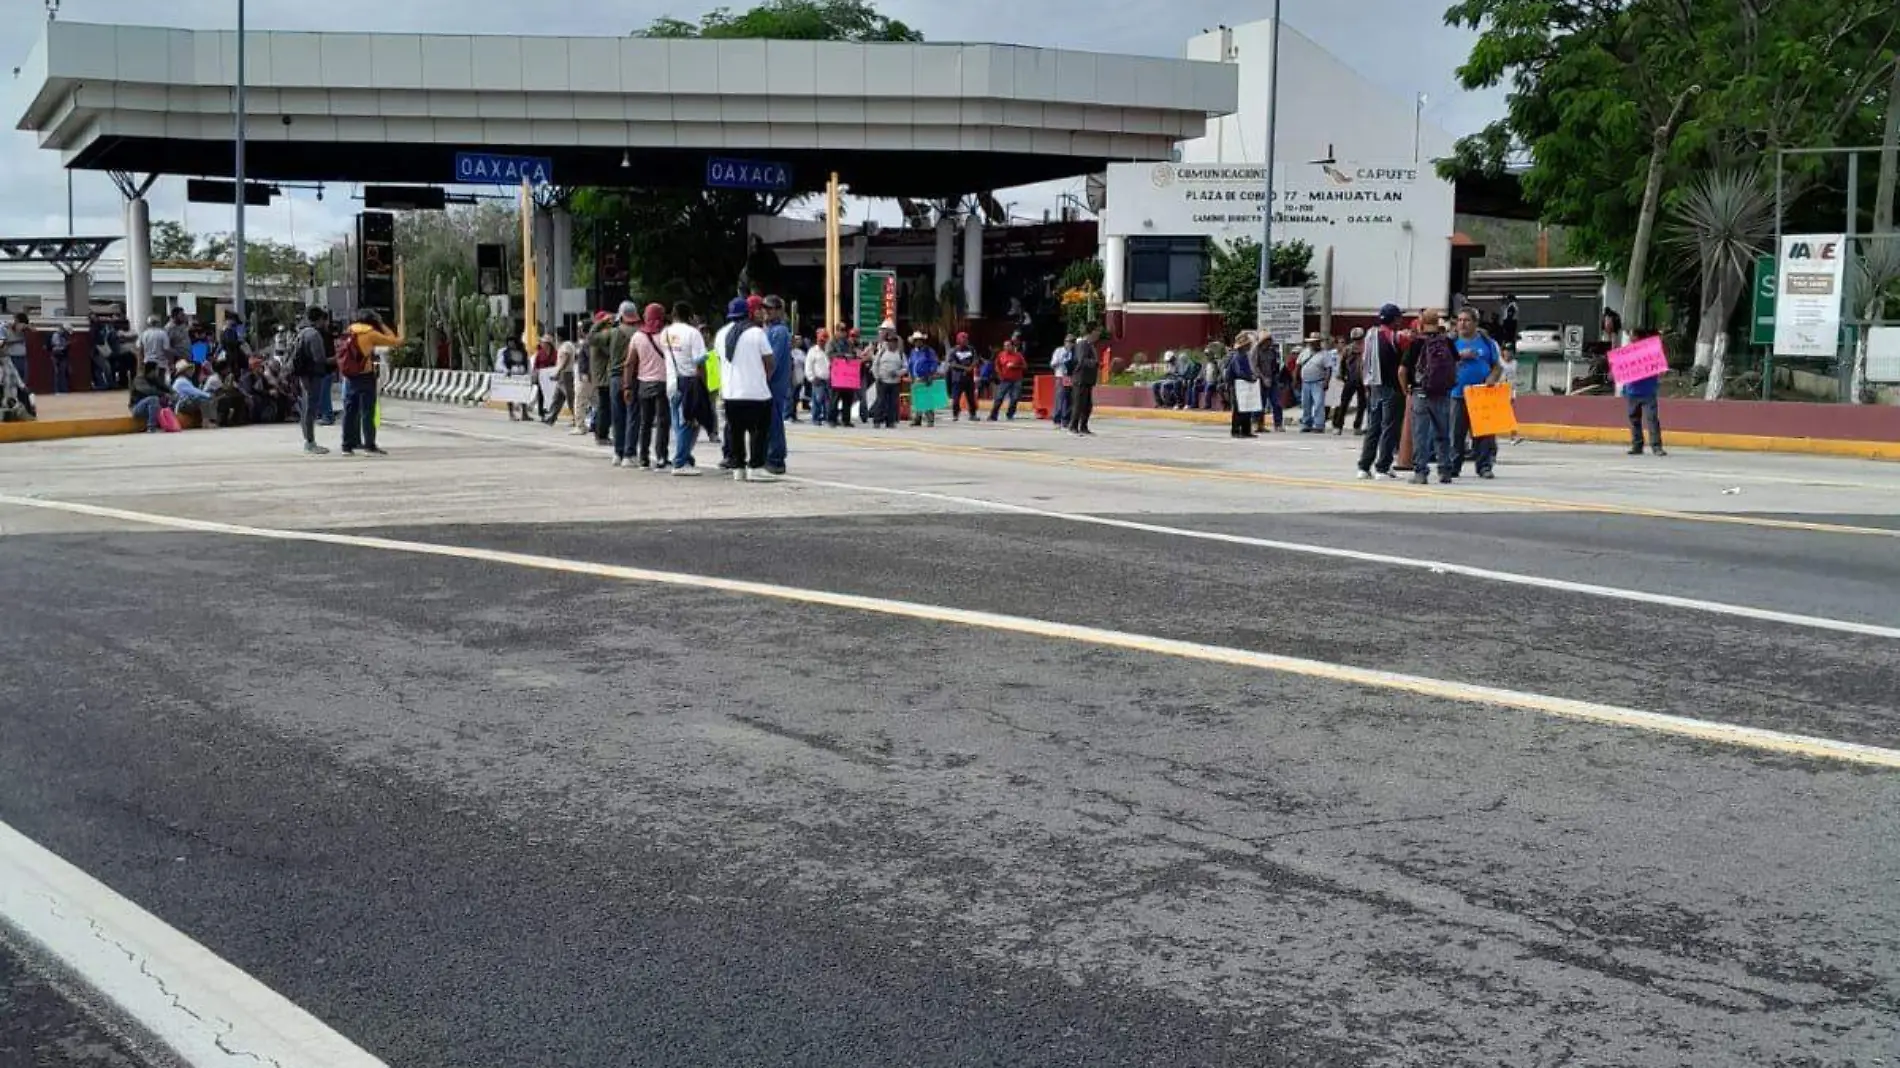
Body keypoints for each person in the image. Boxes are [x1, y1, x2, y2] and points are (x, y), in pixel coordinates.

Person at [717, 294, 776, 482]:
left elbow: (719, 361)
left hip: (731, 392)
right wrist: (764, 378)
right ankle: (756, 466)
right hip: (756, 393)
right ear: (748, 312)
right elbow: (769, 361)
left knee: (735, 433)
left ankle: (738, 468)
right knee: (758, 432)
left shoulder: (721, 334)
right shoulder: (756, 333)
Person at [1399, 309, 1458, 484]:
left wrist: (1405, 389)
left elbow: (1402, 370)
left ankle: (1421, 473)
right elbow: (1456, 362)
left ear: (1421, 323)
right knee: (1442, 432)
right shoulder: (1446, 341)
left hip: (1420, 392)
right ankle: (1445, 470)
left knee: (1421, 434)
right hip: (1442, 392)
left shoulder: (1416, 343)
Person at [1447, 307, 1504, 480]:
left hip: (1481, 395)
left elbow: (1497, 366)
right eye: (1460, 320)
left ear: (1475, 323)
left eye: (1467, 320)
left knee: (1483, 434)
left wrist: (1492, 378)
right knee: (1456, 434)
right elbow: (1440, 363)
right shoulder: (1451, 342)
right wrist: (1459, 356)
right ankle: (1453, 466)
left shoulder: (1487, 342)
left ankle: (1484, 466)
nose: (1462, 324)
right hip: (1457, 394)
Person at [1355, 304, 1407, 480]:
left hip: (1374, 386)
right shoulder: (1396, 337)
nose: (1401, 320)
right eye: (1399, 317)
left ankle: (1363, 466)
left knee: (1373, 428)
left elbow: (1363, 363)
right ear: (1395, 319)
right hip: (1392, 386)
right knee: (1389, 428)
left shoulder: (1370, 335)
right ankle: (1382, 468)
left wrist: (1366, 385)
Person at [340, 309, 401, 456]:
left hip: (349, 376)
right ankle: (370, 445)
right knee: (368, 412)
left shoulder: (349, 331)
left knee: (349, 412)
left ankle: (347, 446)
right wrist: (382, 324)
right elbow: (395, 341)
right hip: (365, 377)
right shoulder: (370, 334)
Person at [660, 302, 710, 475]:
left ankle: (685, 456)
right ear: (690, 316)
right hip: (689, 382)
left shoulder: (665, 333)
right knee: (688, 423)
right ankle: (680, 462)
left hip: (672, 381)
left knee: (678, 421)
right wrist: (704, 385)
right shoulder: (693, 333)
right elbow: (700, 363)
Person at [624, 303, 673, 471]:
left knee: (645, 423)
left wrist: (627, 386)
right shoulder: (668, 335)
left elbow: (629, 363)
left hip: (643, 384)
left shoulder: (637, 337)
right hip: (663, 383)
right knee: (662, 422)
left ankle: (643, 458)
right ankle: (661, 458)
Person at [288, 306, 332, 454]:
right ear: (320, 319)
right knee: (310, 408)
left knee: (307, 407)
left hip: (303, 374)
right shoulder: (314, 335)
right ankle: (310, 442)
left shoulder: (301, 332)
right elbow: (319, 358)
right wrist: (336, 359)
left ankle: (308, 440)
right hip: (313, 375)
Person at [761, 295, 794, 475]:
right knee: (768, 421)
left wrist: (763, 379)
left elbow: (772, 360)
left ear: (780, 311)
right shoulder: (768, 330)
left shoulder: (779, 331)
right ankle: (771, 456)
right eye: (765, 308)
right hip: (769, 383)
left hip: (773, 384)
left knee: (773, 421)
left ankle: (776, 458)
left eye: (771, 308)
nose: (766, 311)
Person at [1623, 328, 1667, 457]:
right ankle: (1637, 445)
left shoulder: (1651, 352)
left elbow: (1662, 370)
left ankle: (1656, 446)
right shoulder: (1628, 352)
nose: (1630, 338)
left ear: (1639, 337)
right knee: (1634, 419)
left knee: (1652, 419)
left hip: (1648, 391)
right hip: (1632, 391)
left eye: (1632, 336)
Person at [587, 310, 618, 446]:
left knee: (604, 407)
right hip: (604, 377)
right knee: (604, 408)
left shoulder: (600, 337)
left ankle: (601, 434)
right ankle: (601, 435)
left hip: (602, 377)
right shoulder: (599, 338)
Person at [1295, 333, 1334, 432]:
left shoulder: (1325, 354)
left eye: (1315, 342)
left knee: (1318, 404)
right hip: (1305, 382)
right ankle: (1306, 424)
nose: (1313, 344)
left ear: (1319, 343)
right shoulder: (1304, 352)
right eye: (1311, 342)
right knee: (1305, 404)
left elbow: (1328, 369)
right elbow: (1298, 366)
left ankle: (1319, 425)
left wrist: (1326, 382)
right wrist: (1296, 379)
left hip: (1318, 382)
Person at [1332, 327, 1368, 434]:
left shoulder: (1367, 348)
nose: (1357, 341)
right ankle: (1338, 426)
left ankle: (1357, 426)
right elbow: (1342, 364)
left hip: (1363, 380)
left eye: (1359, 338)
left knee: (1362, 404)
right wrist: (1343, 376)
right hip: (1351, 379)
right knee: (1344, 403)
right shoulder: (1348, 349)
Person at [1068, 324, 1102, 435]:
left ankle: (1083, 426)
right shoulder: (1082, 344)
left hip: (1088, 379)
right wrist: (1095, 363)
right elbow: (1082, 360)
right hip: (1080, 378)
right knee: (1078, 404)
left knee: (1087, 405)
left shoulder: (1090, 345)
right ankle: (1073, 426)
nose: (1099, 333)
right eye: (1097, 331)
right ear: (1091, 332)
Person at [1225, 332, 1259, 438]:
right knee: (1238, 409)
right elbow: (1239, 372)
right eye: (1248, 344)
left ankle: (1246, 431)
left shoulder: (1244, 356)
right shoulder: (1237, 357)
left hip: (1244, 384)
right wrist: (1250, 378)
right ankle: (1235, 431)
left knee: (1246, 407)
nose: (1249, 346)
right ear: (1243, 346)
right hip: (1237, 385)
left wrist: (1252, 376)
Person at [871, 329, 907, 428]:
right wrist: (877, 377)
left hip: (894, 382)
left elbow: (905, 367)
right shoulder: (882, 352)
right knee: (880, 401)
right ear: (887, 342)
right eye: (890, 341)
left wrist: (898, 373)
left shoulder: (900, 354)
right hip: (882, 381)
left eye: (894, 342)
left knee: (893, 403)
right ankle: (877, 421)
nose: (892, 343)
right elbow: (875, 365)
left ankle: (890, 422)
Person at [906, 331, 941, 427]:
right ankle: (917, 419)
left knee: (926, 399)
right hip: (915, 378)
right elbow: (910, 364)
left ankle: (930, 419)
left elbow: (934, 363)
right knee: (917, 400)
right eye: (916, 341)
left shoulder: (928, 351)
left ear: (922, 341)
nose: (917, 342)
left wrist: (930, 374)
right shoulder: (913, 351)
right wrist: (911, 375)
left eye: (919, 340)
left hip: (925, 377)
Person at [128, 357, 173, 431]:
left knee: (168, 401)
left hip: (150, 407)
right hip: (137, 407)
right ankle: (151, 427)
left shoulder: (155, 379)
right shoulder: (139, 380)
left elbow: (166, 388)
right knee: (153, 399)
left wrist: (172, 394)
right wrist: (163, 394)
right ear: (152, 371)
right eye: (156, 370)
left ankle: (168, 424)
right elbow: (148, 391)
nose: (157, 372)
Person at [495, 334, 533, 421]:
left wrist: (529, 374)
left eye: (513, 343)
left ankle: (524, 413)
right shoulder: (503, 352)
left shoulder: (522, 351)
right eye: (509, 343)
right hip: (510, 375)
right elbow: (499, 364)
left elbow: (528, 363)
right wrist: (505, 371)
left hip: (522, 375)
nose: (511, 345)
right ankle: (511, 414)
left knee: (523, 395)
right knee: (510, 395)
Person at [988, 338, 1027, 420]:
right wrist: (999, 374)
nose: (1006, 347)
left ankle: (1010, 414)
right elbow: (997, 365)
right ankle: (993, 415)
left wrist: (1015, 366)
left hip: (1016, 380)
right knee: (999, 397)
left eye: (1008, 345)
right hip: (1004, 379)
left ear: (1012, 346)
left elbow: (1025, 366)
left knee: (1015, 398)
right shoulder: (1001, 355)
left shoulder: (1018, 355)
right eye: (1005, 346)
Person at [169, 359, 218, 425]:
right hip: (181, 404)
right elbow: (195, 392)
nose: (192, 371)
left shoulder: (184, 380)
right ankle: (206, 423)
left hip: (183, 403)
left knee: (202, 399)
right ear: (184, 371)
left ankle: (206, 421)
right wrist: (208, 395)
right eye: (189, 369)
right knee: (203, 401)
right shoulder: (181, 381)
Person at [826, 329, 858, 427]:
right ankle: (832, 419)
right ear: (837, 331)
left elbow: (854, 354)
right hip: (837, 375)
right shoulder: (831, 342)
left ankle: (846, 420)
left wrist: (852, 356)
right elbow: (829, 354)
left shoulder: (848, 343)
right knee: (834, 398)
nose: (843, 332)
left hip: (848, 376)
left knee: (848, 398)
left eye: (845, 330)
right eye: (842, 330)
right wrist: (843, 356)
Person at [945, 332, 979, 421]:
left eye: (966, 339)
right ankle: (955, 414)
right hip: (957, 379)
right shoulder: (953, 351)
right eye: (962, 338)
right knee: (956, 399)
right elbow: (952, 364)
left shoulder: (971, 349)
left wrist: (971, 367)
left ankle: (973, 414)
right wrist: (965, 368)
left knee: (971, 399)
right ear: (958, 340)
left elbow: (975, 359)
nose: (965, 340)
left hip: (969, 379)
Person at [805, 329, 832, 431]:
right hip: (818, 379)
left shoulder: (828, 351)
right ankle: (816, 418)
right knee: (817, 399)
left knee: (828, 401)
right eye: (821, 340)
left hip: (828, 379)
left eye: (825, 340)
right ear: (818, 340)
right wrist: (811, 377)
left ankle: (826, 417)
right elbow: (808, 366)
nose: (823, 342)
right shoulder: (813, 351)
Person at [1049, 335, 1075, 428]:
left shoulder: (1074, 352)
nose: (1069, 344)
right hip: (1060, 376)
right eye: (1068, 342)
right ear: (1065, 342)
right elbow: (1052, 364)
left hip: (1069, 377)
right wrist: (1062, 359)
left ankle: (1066, 420)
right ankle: (1057, 419)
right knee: (1060, 398)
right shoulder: (1059, 351)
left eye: (1071, 342)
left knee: (1068, 399)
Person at [3, 312, 30, 385]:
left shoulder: (25, 327)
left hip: (22, 355)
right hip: (12, 355)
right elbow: (7, 341)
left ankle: (21, 392)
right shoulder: (9, 328)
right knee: (13, 376)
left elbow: (22, 329)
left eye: (16, 319)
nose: (14, 321)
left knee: (21, 375)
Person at [49, 324, 72, 393]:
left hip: (62, 356)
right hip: (56, 356)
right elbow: (56, 348)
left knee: (63, 373)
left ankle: (63, 390)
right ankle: (57, 390)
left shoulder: (64, 336)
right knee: (56, 373)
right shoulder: (56, 335)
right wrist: (65, 345)